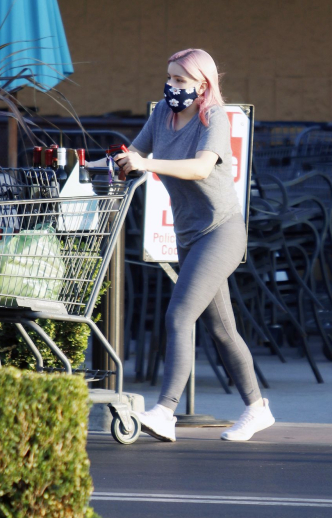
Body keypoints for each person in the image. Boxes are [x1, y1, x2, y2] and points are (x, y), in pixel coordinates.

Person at [91, 48, 275, 443]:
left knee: (179, 316)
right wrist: (104, 163)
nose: (171, 87)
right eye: (170, 78)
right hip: (189, 234)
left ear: (203, 85)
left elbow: (201, 168)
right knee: (223, 330)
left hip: (222, 232)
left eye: (180, 81)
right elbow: (136, 152)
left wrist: (147, 165)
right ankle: (258, 409)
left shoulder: (215, 119)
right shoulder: (162, 114)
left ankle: (165, 412)